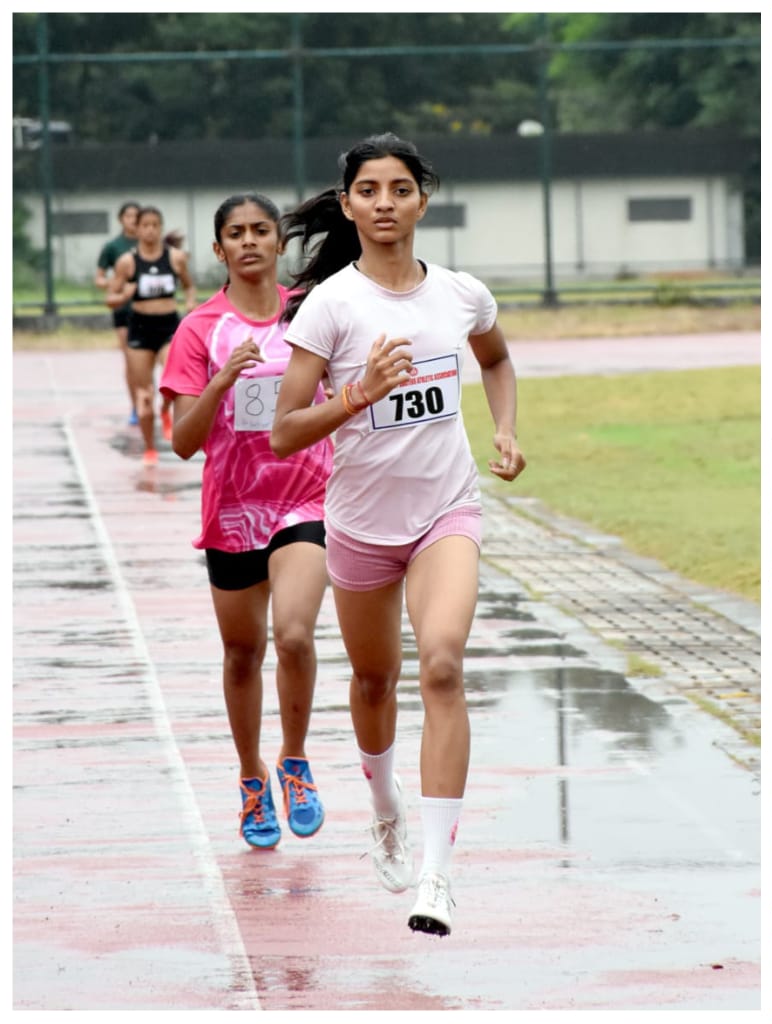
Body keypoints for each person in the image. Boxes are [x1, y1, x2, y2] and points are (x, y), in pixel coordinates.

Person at [270, 132, 526, 937]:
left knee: (443, 665)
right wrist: (357, 395)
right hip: (358, 525)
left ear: (423, 197)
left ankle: (436, 877)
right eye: (369, 190)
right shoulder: (331, 306)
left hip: (446, 509)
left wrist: (507, 431)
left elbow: (496, 360)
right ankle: (384, 805)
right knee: (376, 682)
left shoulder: (459, 293)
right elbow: (283, 433)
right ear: (348, 205)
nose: (385, 202)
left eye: (400, 188)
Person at [159, 193, 334, 850]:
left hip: (304, 499)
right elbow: (182, 440)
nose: (251, 241)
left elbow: (340, 398)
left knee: (292, 635)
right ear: (219, 250)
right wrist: (220, 382)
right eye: (237, 233)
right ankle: (251, 775)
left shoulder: (309, 315)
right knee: (242, 653)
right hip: (233, 511)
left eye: (263, 230)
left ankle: (294, 760)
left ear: (280, 242)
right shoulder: (201, 329)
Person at [108, 205, 196, 465]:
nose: (149, 230)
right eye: (144, 225)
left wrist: (190, 302)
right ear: (137, 230)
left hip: (169, 326)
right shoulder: (127, 262)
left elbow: (189, 286)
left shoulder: (176, 258)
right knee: (144, 395)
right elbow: (111, 297)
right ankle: (149, 448)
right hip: (140, 328)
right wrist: (123, 295)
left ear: (160, 227)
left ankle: (166, 412)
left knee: (172, 385)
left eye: (154, 225)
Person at [95, 201, 140, 425]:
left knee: (151, 361)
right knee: (132, 360)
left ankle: (153, 402)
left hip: (148, 311)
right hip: (123, 310)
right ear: (121, 219)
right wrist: (115, 284)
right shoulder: (113, 247)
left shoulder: (150, 244)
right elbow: (99, 278)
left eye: (136, 216)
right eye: (129, 216)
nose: (133, 219)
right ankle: (136, 406)